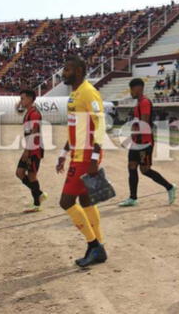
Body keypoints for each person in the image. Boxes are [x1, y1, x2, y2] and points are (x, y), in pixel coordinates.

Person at [55, 55, 107, 267]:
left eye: (67, 70)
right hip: (78, 153)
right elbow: (78, 129)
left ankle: (94, 245)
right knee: (86, 202)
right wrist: (63, 152)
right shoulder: (74, 94)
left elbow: (101, 124)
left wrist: (94, 158)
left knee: (66, 202)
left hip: (86, 156)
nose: (63, 73)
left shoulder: (88, 92)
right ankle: (99, 246)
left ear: (78, 70)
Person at [118, 78, 177, 207]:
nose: (131, 92)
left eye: (132, 89)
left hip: (144, 142)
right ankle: (133, 198)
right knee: (131, 167)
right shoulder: (138, 103)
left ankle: (170, 187)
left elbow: (144, 124)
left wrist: (131, 136)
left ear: (138, 88)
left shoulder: (145, 102)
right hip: (136, 142)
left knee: (145, 170)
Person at [15, 90, 46, 213]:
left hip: (34, 149)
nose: (20, 101)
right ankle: (39, 194)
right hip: (30, 147)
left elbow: (34, 133)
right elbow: (18, 110)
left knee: (32, 175)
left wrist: (27, 151)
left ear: (30, 99)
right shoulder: (29, 112)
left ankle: (36, 204)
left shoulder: (35, 114)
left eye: (22, 98)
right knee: (19, 173)